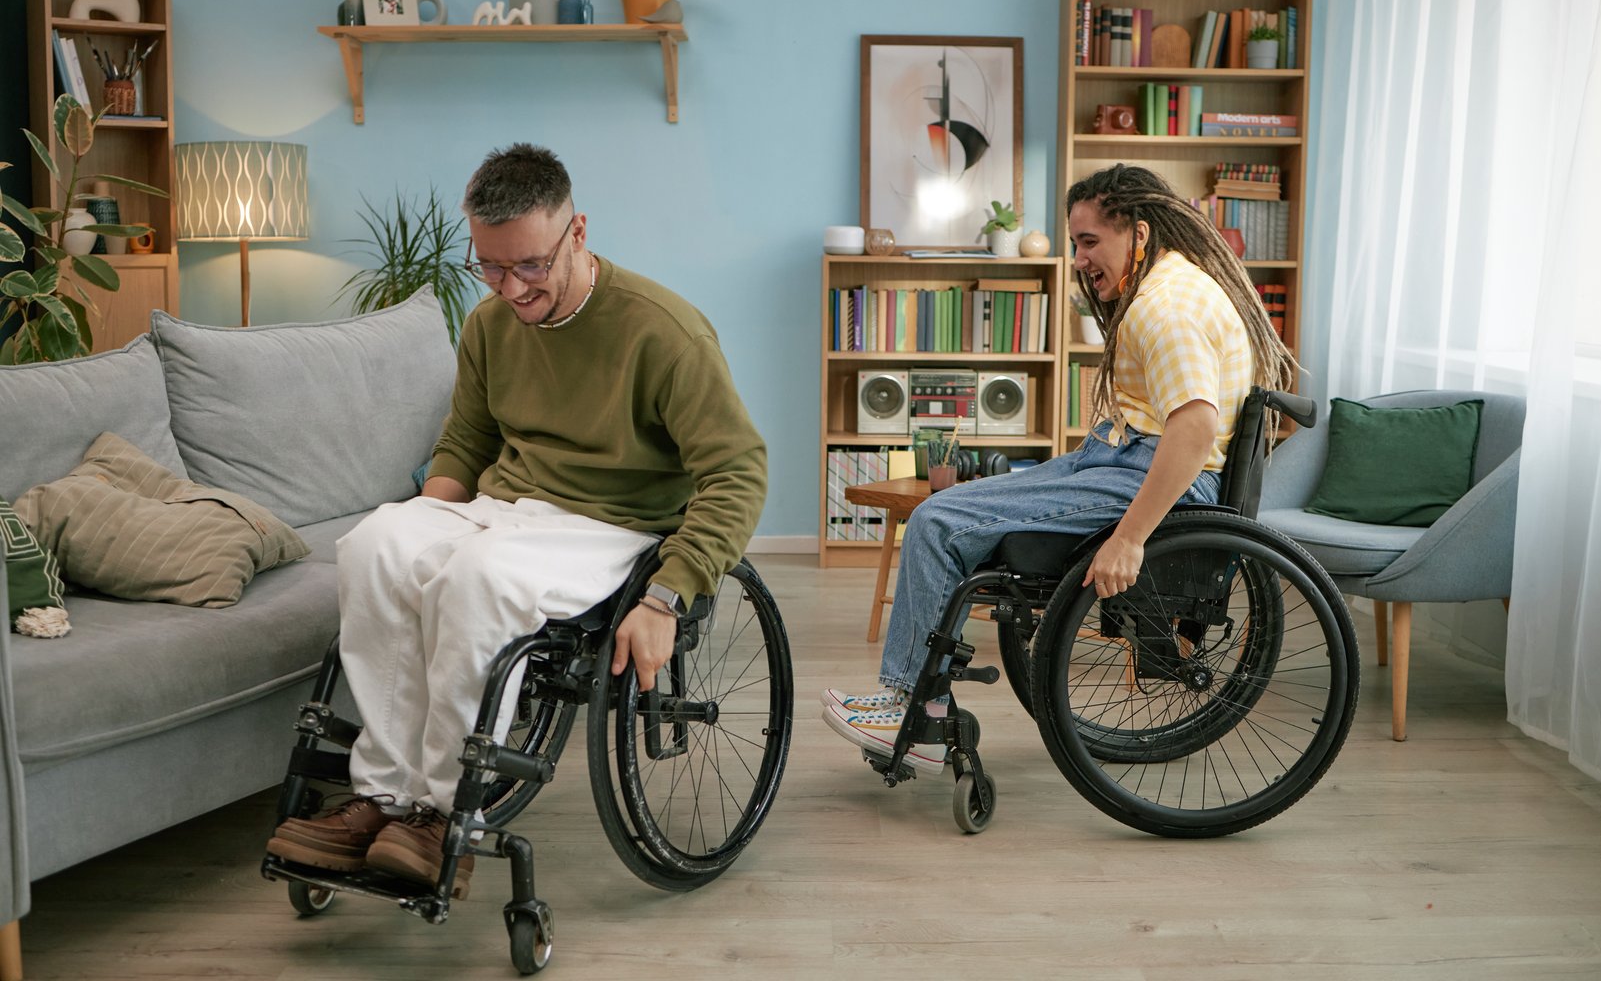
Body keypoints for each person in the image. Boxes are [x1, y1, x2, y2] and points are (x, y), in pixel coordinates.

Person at [267, 143, 767, 895]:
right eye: (491, 267)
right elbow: (466, 441)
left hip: (612, 524)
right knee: (374, 542)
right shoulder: (489, 325)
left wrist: (668, 596)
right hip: (504, 509)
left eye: (529, 265)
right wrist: (417, 536)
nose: (511, 287)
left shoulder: (664, 332)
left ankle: (440, 816)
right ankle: (382, 797)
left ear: (578, 233)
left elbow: (737, 470)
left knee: (477, 577)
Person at [822, 163, 1295, 772]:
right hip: (1121, 458)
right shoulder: (1169, 285)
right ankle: (922, 701)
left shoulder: (1166, 306)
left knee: (939, 519)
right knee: (966, 504)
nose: (1078, 258)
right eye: (1075, 243)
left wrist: (1129, 540)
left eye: (1090, 241)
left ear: (1140, 233)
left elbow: (1195, 427)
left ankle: (916, 711)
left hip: (1152, 476)